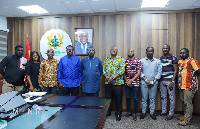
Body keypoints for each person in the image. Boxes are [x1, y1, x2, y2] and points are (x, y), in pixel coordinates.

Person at [177, 48, 200, 126]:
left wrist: (193, 78)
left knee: (188, 103)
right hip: (181, 85)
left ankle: (187, 120)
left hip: (189, 86)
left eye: (184, 53)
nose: (182, 54)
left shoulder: (192, 61)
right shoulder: (180, 62)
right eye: (181, 53)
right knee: (184, 102)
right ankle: (185, 115)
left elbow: (198, 70)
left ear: (188, 53)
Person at [103, 46, 125, 121]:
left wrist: (113, 77)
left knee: (118, 99)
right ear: (110, 51)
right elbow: (104, 70)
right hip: (108, 82)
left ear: (117, 51)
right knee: (108, 99)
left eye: (115, 50)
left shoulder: (121, 59)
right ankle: (107, 112)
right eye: (112, 49)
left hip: (118, 83)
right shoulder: (107, 59)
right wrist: (107, 77)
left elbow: (122, 70)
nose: (113, 51)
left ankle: (118, 113)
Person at [140, 47, 162, 120]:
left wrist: (154, 81)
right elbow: (139, 72)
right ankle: (143, 113)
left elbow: (159, 72)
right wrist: (146, 80)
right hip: (144, 83)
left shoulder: (157, 61)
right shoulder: (141, 61)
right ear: (146, 52)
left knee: (152, 99)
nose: (150, 52)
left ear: (153, 52)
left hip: (154, 83)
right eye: (149, 51)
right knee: (144, 99)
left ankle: (152, 113)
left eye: (151, 51)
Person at [158, 44, 178, 120]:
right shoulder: (160, 58)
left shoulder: (173, 58)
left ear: (169, 49)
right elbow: (159, 71)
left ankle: (171, 114)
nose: (165, 49)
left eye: (166, 48)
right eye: (164, 48)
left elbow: (176, 70)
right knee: (163, 97)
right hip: (162, 81)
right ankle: (164, 112)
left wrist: (172, 81)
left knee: (171, 98)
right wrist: (159, 82)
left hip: (170, 81)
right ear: (162, 49)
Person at [124, 48, 142, 121]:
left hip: (135, 83)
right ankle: (129, 112)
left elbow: (139, 73)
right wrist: (127, 81)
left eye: (131, 51)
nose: (130, 53)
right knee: (128, 98)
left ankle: (134, 113)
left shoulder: (138, 61)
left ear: (134, 52)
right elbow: (123, 73)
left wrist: (131, 81)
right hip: (127, 83)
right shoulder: (125, 61)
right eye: (129, 51)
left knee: (135, 98)